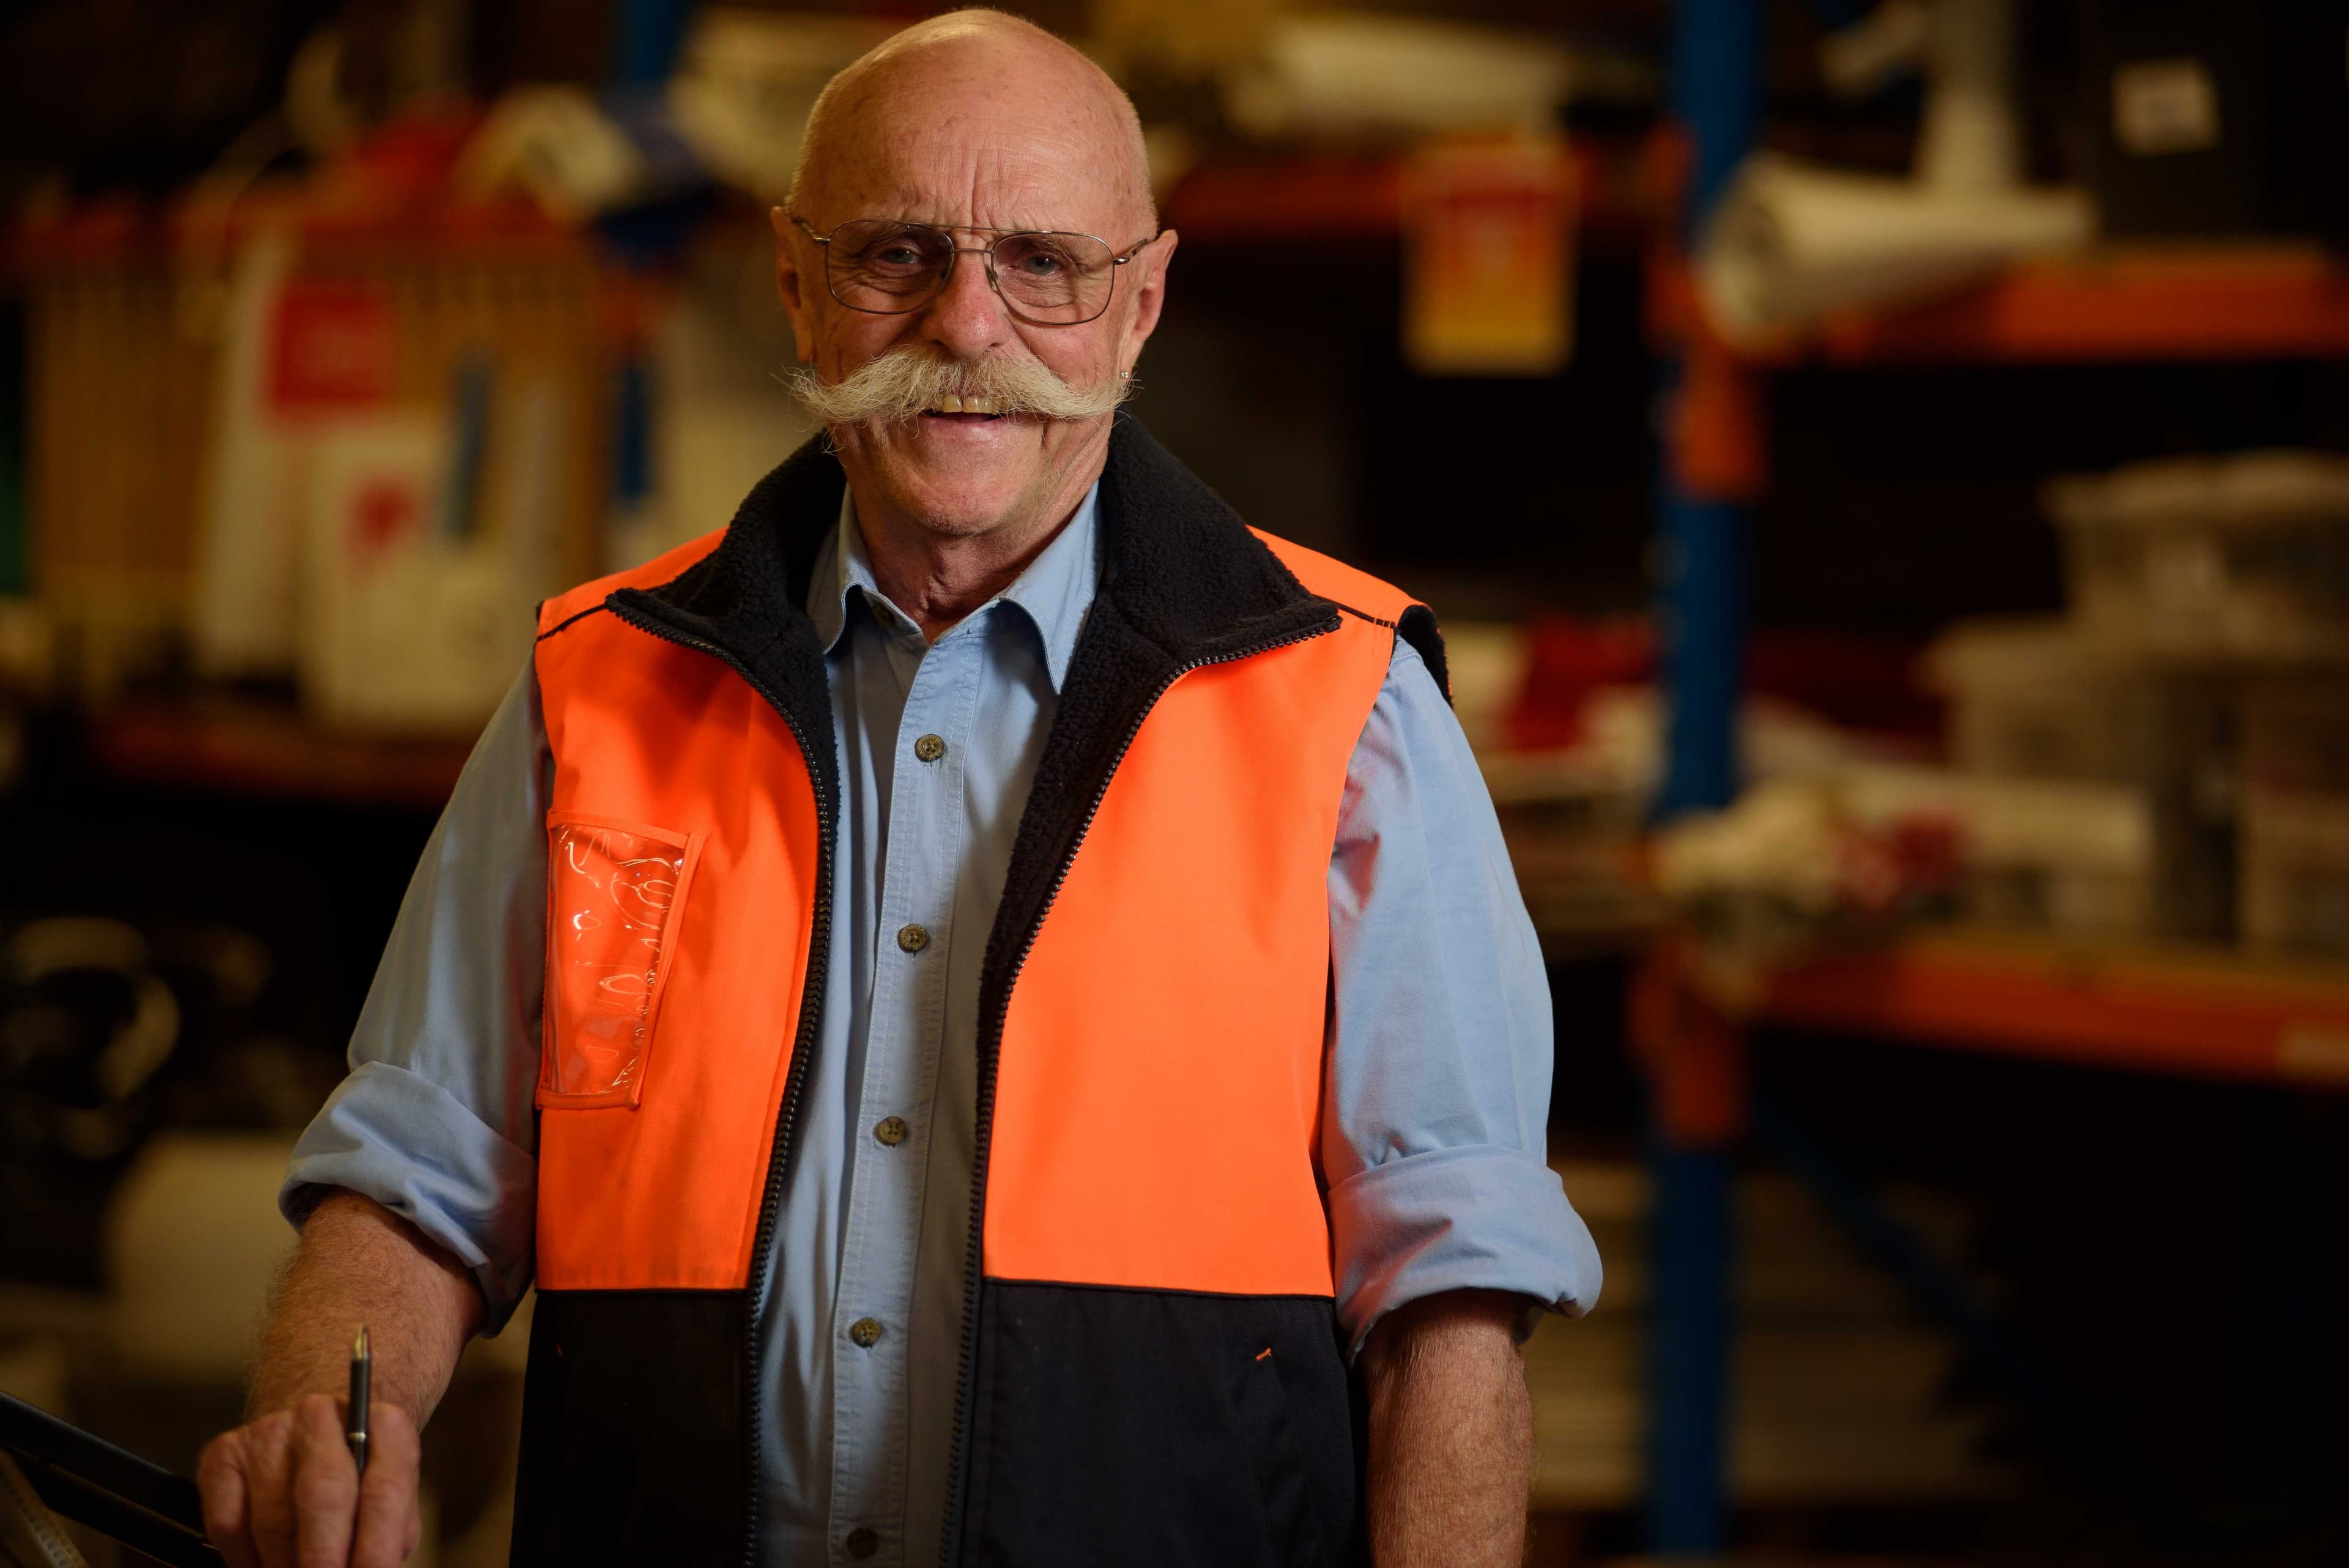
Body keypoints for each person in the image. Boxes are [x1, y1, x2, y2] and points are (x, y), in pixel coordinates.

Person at [196, 12, 1600, 1567]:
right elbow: (413, 1177)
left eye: (1046, 262)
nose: (972, 325)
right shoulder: (597, 692)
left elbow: (1448, 1293)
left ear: (1144, 302)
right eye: (897, 254)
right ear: (793, 280)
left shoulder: (1347, 704)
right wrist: (332, 1422)